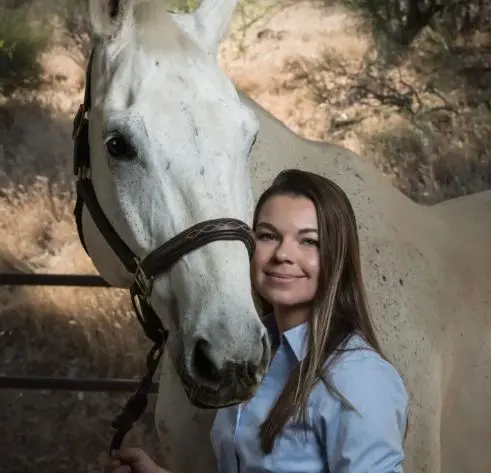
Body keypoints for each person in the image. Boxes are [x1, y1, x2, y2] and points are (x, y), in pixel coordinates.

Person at [106, 169, 409, 473]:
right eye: (268, 236)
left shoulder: (359, 378)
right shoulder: (256, 353)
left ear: (338, 256)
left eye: (308, 241)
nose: (283, 254)